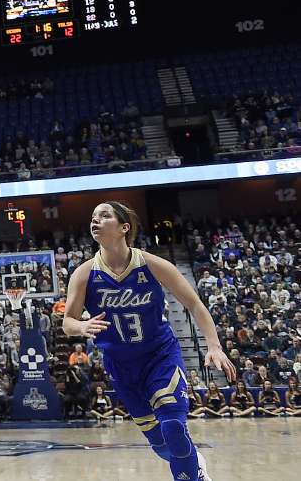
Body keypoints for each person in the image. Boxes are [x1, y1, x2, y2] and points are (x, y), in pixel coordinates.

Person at [63, 202, 236, 481]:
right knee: (161, 446)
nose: (95, 220)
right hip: (121, 366)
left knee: (173, 427)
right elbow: (67, 322)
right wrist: (82, 325)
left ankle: (193, 477)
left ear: (124, 227)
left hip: (159, 356)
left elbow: (194, 303)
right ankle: (194, 463)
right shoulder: (84, 274)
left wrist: (213, 345)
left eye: (104, 216)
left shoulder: (151, 264)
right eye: (93, 216)